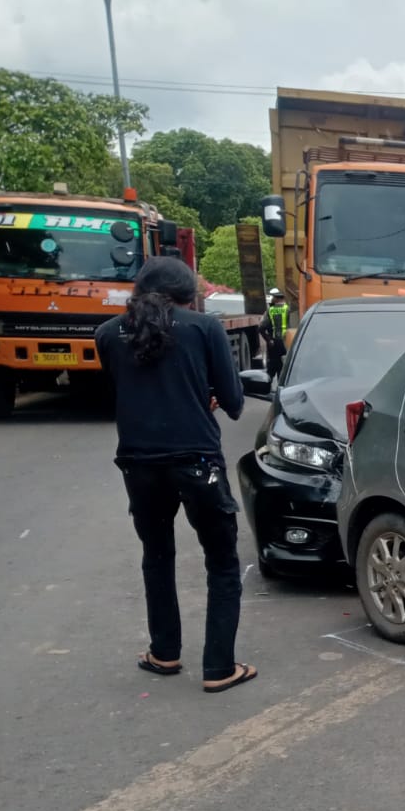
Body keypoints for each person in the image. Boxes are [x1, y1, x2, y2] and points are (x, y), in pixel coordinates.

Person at [95, 257, 255, 694]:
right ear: (189, 295)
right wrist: (206, 395)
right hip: (197, 462)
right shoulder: (205, 329)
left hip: (138, 463)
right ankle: (219, 667)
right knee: (221, 563)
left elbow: (126, 388)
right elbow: (235, 400)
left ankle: (164, 652)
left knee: (157, 555)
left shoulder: (108, 334)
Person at [264, 288, 290, 382]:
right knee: (284, 367)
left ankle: (264, 386)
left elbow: (261, 328)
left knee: (272, 367)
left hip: (274, 343)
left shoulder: (270, 310)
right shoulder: (288, 309)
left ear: (276, 298)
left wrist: (269, 340)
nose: (272, 299)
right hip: (286, 341)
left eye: (273, 297)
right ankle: (281, 386)